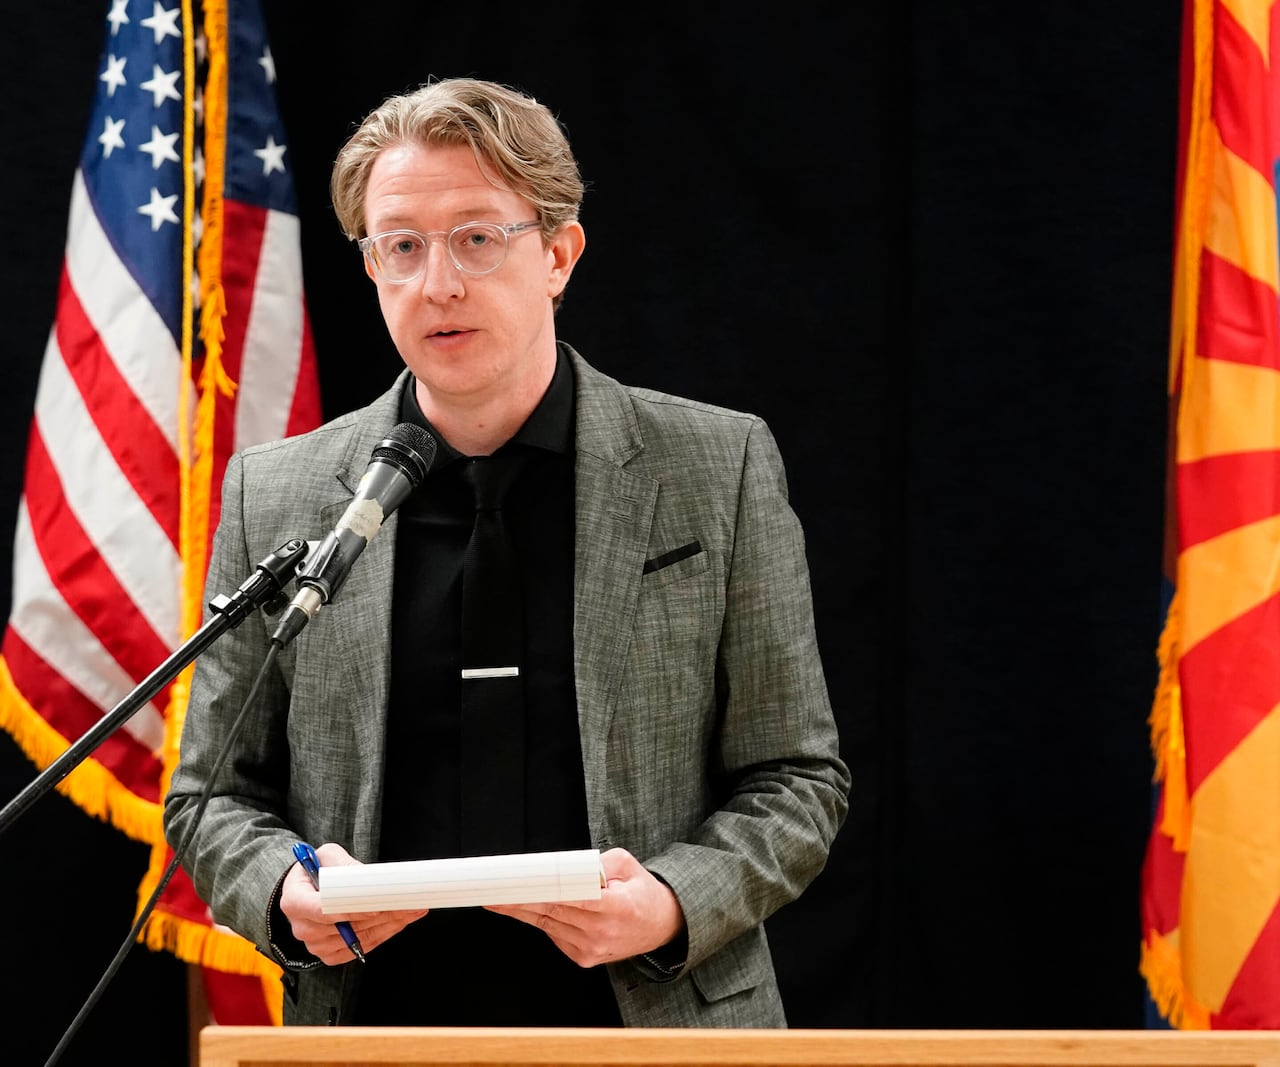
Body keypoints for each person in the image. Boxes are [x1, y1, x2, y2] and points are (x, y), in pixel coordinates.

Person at [163, 76, 849, 1028]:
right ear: (370, 268)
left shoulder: (714, 466)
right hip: (374, 1031)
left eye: (477, 239)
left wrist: (673, 900)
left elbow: (797, 776)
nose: (437, 281)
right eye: (400, 247)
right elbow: (209, 795)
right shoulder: (275, 493)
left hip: (654, 1024)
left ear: (561, 253)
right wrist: (287, 891)